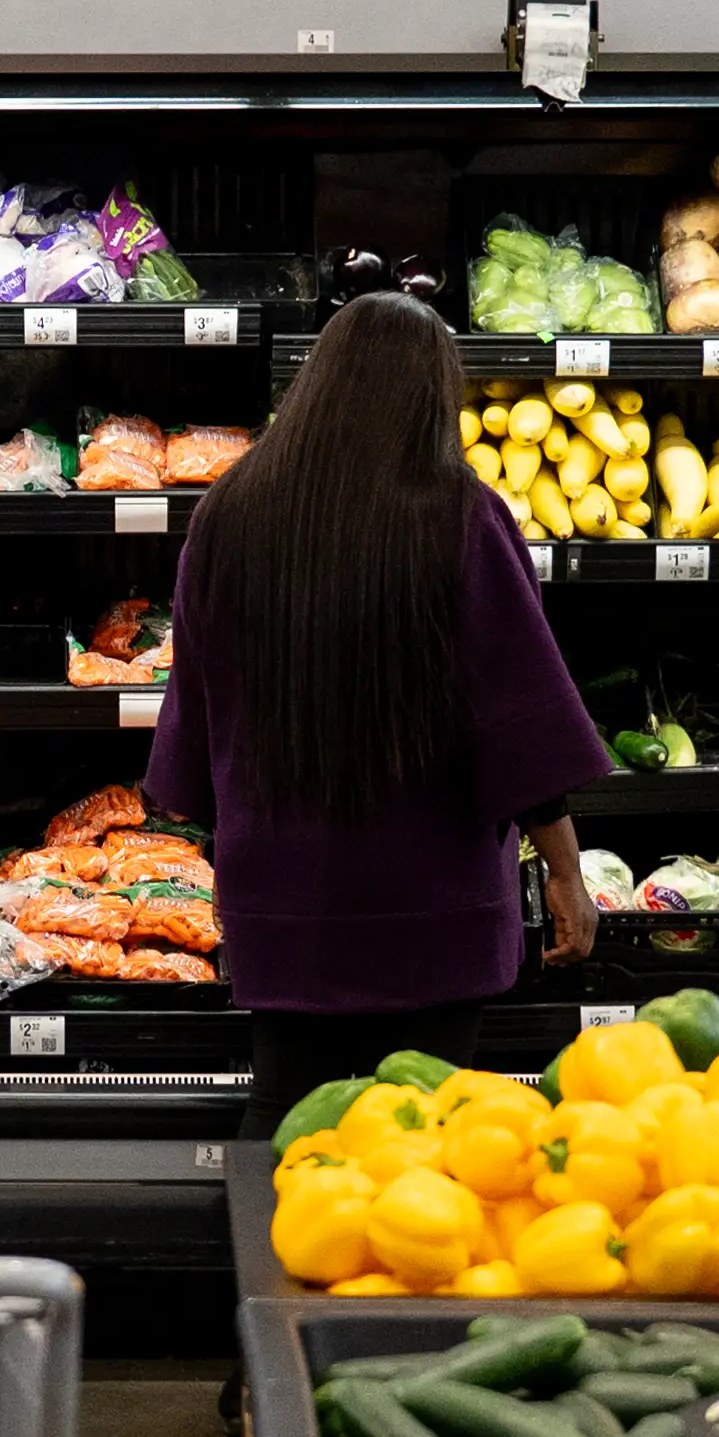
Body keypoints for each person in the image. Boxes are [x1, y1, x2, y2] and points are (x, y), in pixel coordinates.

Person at [146, 287, 607, 1138]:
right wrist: (566, 873)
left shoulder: (231, 512)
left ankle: (262, 1266)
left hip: (283, 889)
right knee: (430, 1128)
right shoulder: (460, 515)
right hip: (433, 897)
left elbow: (198, 707)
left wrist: (232, 846)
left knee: (286, 1108)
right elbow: (515, 713)